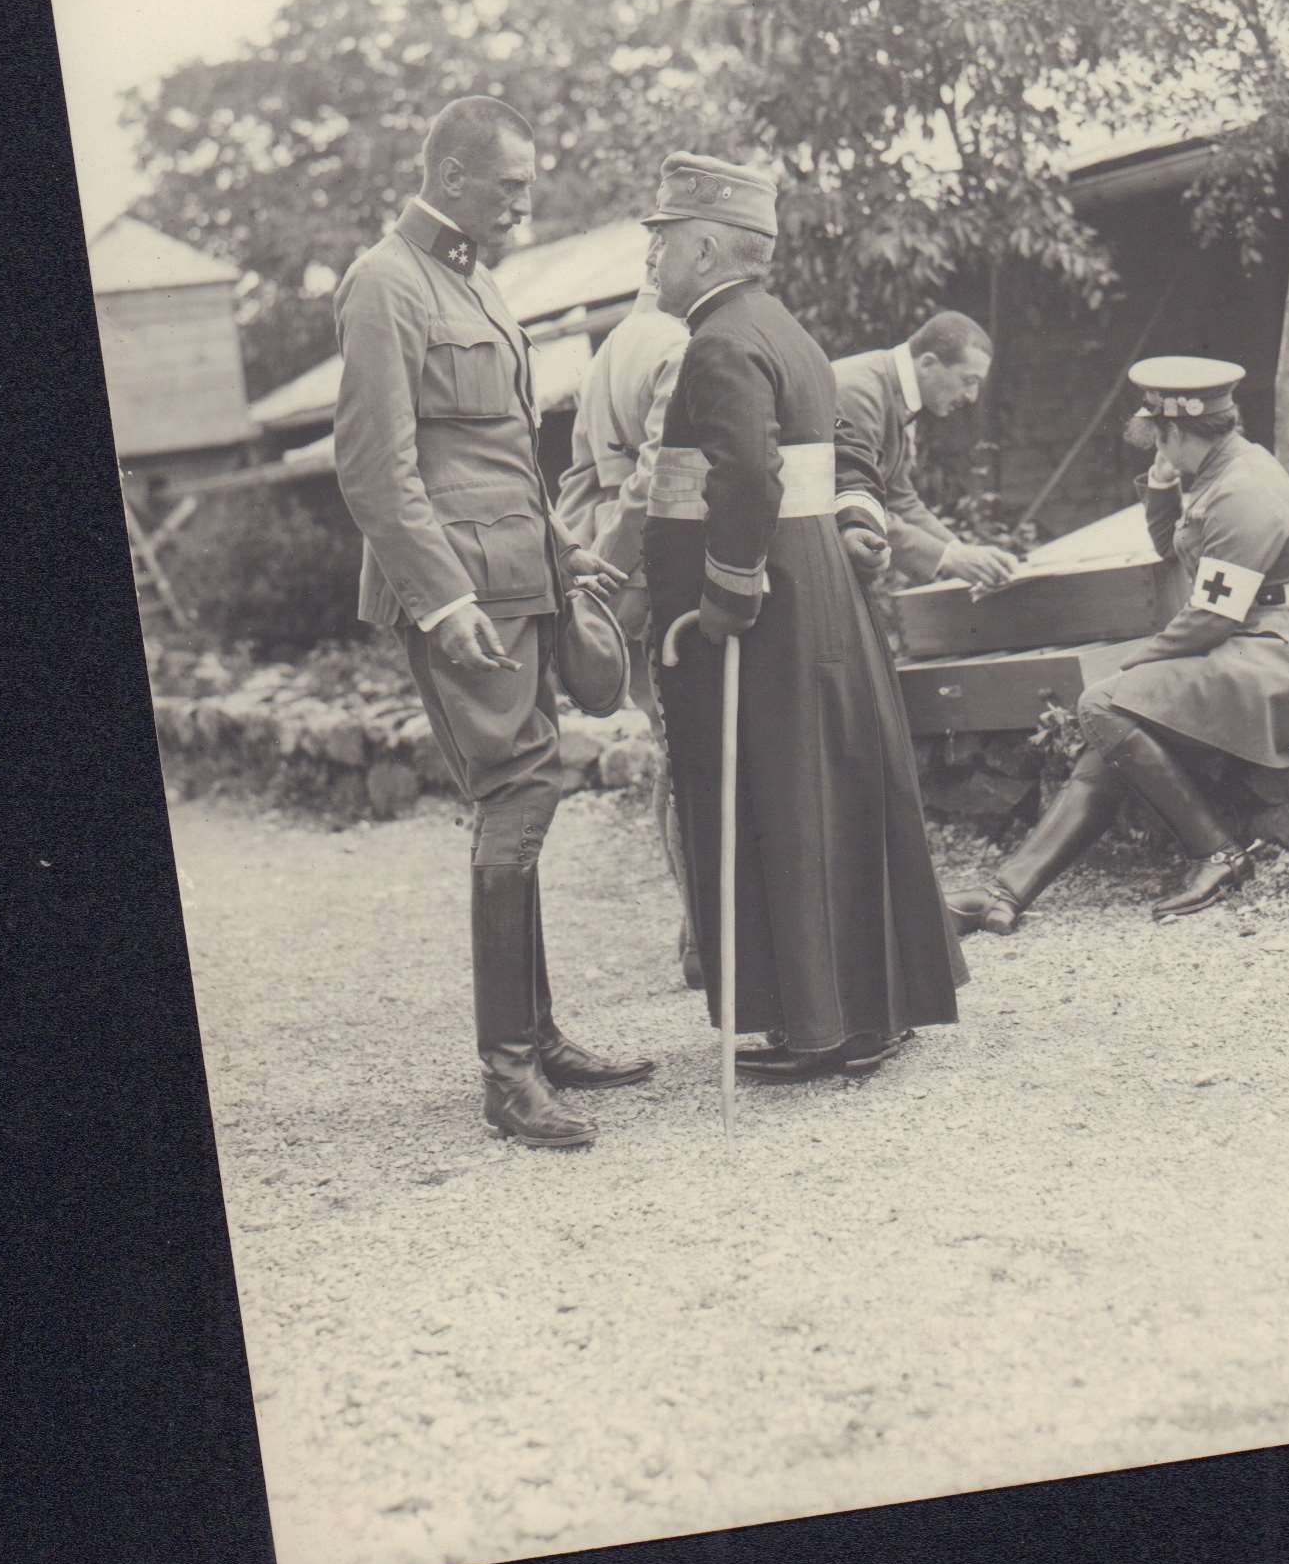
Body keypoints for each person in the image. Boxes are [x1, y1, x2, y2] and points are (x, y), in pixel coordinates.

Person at [332, 95, 650, 1149]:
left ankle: (540, 1035)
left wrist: (568, 554)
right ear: (456, 174)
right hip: (463, 590)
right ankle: (508, 1074)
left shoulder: (477, 278)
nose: (527, 199)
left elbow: (508, 454)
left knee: (534, 784)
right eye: (511, 183)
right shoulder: (385, 282)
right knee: (520, 789)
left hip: (524, 573)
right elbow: (377, 469)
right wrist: (446, 597)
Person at [638, 153, 962, 1081]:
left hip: (765, 611)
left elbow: (746, 476)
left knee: (781, 803)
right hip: (815, 598)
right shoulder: (783, 329)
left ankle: (816, 1027)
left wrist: (726, 590)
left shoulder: (720, 342)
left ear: (703, 247)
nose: (653, 261)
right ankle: (860, 1014)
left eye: (662, 242)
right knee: (828, 795)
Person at [946, 357, 1289, 933]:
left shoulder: (1242, 491)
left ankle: (1216, 852)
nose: (1153, 449)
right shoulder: (1218, 470)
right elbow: (1174, 549)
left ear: (1176, 430)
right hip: (1260, 644)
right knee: (1116, 728)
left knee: (1104, 704)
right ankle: (1005, 894)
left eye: (1158, 440)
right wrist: (1162, 483)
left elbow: (1211, 617)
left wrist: (1134, 660)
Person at [552, 231, 702, 988]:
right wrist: (614, 564)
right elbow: (655, 477)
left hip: (617, 579)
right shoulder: (679, 342)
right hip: (663, 570)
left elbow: (578, 477)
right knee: (693, 757)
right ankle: (704, 938)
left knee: (672, 750)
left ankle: (698, 933)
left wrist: (582, 575)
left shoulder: (610, 348)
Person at [830, 311, 1022, 597]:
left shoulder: (896, 392)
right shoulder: (860, 392)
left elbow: (899, 497)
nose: (972, 396)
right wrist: (948, 558)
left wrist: (963, 552)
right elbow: (854, 505)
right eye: (968, 381)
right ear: (928, 363)